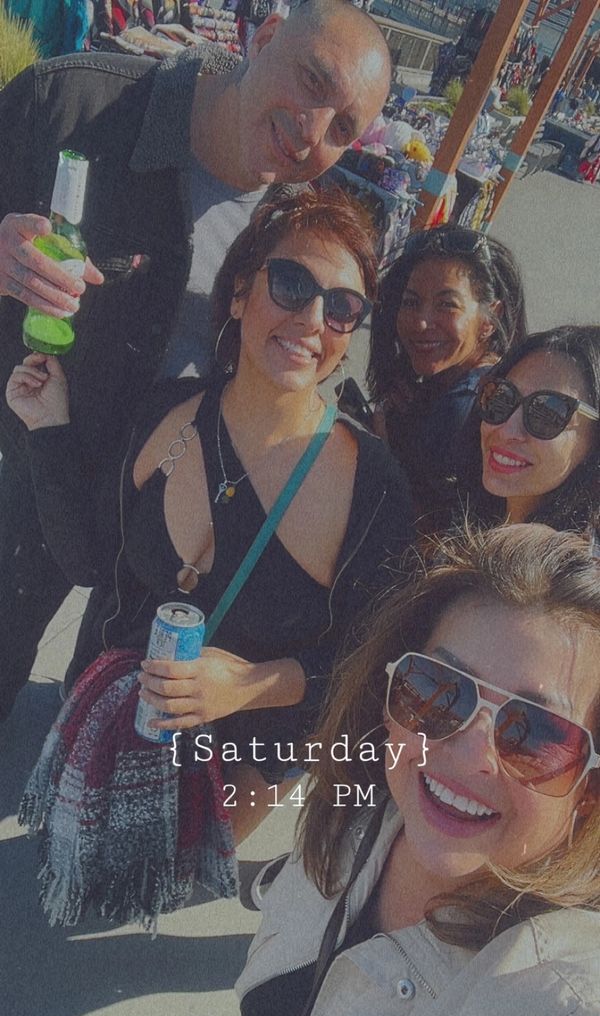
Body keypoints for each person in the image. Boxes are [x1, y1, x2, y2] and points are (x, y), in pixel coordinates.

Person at [0, 0, 393, 722]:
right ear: (264, 37)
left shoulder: (293, 230)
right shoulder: (73, 103)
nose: (312, 132)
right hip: (22, 472)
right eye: (313, 81)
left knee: (91, 715)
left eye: (344, 127)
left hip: (152, 531)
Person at [9, 186, 414, 858]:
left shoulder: (371, 488)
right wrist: (47, 427)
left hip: (225, 779)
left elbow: (372, 671)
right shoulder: (168, 412)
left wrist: (248, 684)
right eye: (291, 283)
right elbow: (89, 560)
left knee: (136, 898)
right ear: (239, 294)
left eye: (343, 306)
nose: (313, 318)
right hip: (99, 730)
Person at [154, 523, 600, 1016]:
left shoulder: (568, 1006)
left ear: (589, 788)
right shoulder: (356, 809)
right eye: (436, 689)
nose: (469, 753)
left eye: (536, 734)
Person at [366, 225, 527, 531]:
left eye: (446, 304)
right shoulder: (496, 385)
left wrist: (381, 447)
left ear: (489, 320)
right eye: (411, 302)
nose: (421, 322)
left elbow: (425, 533)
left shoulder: (462, 406)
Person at [464, 325, 600, 537]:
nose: (506, 431)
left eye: (546, 412)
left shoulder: (580, 557)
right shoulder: (460, 526)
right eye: (501, 397)